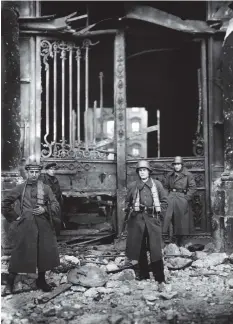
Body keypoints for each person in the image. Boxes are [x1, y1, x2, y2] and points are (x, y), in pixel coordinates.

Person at [1, 161, 61, 295]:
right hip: (26, 224)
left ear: (39, 173)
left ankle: (41, 281)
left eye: (36, 172)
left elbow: (55, 205)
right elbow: (5, 203)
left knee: (43, 252)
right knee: (19, 252)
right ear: (27, 173)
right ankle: (10, 283)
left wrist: (44, 209)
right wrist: (15, 217)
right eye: (31, 172)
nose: (34, 175)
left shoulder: (46, 188)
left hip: (43, 224)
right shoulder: (20, 188)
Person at [125, 160, 168, 284]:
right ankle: (144, 275)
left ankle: (159, 277)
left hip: (152, 220)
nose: (142, 172)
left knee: (155, 248)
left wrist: (159, 216)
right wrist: (131, 211)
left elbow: (164, 202)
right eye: (140, 170)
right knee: (140, 248)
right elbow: (128, 202)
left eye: (144, 170)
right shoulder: (133, 186)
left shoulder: (157, 185)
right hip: (137, 220)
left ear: (149, 172)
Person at [163, 156, 197, 246]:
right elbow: (166, 187)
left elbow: (193, 188)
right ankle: (171, 239)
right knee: (170, 218)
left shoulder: (188, 175)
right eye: (175, 164)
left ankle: (181, 241)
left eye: (178, 164)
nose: (176, 166)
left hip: (181, 198)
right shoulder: (169, 175)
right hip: (171, 197)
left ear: (182, 165)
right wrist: (166, 197)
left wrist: (186, 198)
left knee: (181, 220)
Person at [40, 162, 64, 233]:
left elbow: (58, 190)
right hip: (48, 203)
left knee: (57, 219)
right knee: (49, 220)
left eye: (54, 169)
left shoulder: (55, 179)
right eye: (51, 169)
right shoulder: (43, 178)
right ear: (47, 170)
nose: (53, 171)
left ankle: (56, 236)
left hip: (55, 202)